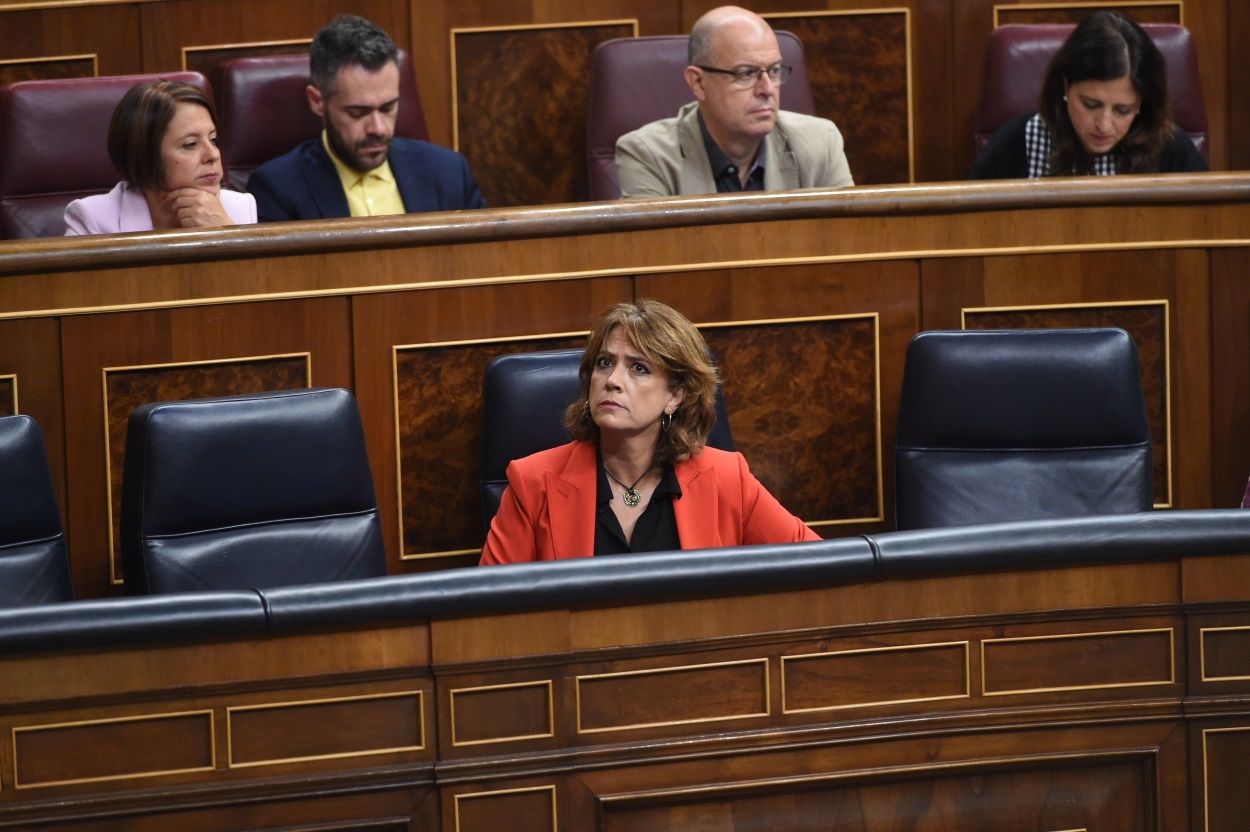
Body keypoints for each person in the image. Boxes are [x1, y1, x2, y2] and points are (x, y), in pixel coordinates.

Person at [480, 299, 820, 565]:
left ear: (675, 395)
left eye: (638, 368)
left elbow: (818, 564)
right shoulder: (533, 483)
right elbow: (488, 610)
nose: (612, 381)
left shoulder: (728, 479)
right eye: (604, 363)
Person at [248, 15, 485, 221]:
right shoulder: (278, 188)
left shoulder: (449, 172)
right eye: (358, 113)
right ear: (317, 101)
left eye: (388, 108)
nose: (378, 128)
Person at [614, 6, 853, 198]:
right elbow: (656, 254)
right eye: (746, 73)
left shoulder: (821, 143)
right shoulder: (648, 156)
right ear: (698, 82)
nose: (767, 89)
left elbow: (844, 245)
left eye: (774, 70)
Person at [970, 10, 1206, 179]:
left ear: (1142, 104)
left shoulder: (1171, 149)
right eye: (1091, 104)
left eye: (1122, 110)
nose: (1103, 126)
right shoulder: (1017, 143)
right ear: (1065, 87)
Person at [64, 81, 256, 235]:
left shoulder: (238, 208)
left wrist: (227, 235)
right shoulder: (93, 221)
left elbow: (261, 282)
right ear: (146, 155)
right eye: (190, 144)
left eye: (213, 139)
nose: (213, 155)